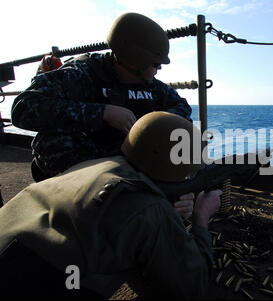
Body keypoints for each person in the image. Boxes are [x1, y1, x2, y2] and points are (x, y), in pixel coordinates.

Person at [0, 111, 222, 300]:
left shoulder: (95, 165)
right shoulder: (149, 209)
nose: (190, 176)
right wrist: (201, 218)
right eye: (190, 172)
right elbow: (192, 287)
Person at [11, 12, 192, 182]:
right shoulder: (83, 74)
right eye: (155, 64)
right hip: (85, 169)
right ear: (135, 59)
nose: (157, 70)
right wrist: (102, 113)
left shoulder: (151, 86)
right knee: (57, 142)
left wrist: (150, 125)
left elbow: (181, 106)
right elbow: (23, 108)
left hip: (127, 164)